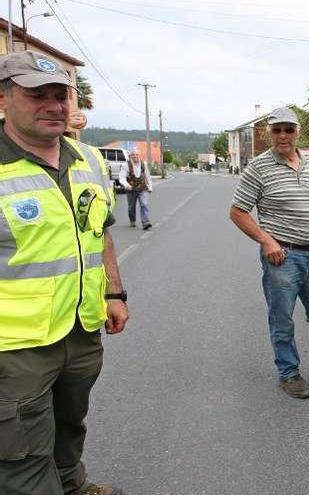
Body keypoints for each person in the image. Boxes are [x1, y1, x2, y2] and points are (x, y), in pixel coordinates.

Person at [0, 50, 129, 495]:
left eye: (61, 95)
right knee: (21, 459)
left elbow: (102, 232)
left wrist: (114, 294)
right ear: (4, 100)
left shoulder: (88, 159)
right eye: (37, 95)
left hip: (80, 330)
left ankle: (73, 485)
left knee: (69, 427)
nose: (54, 105)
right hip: (15, 348)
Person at [229, 107, 309, 400]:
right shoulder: (258, 168)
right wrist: (266, 241)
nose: (283, 136)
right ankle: (288, 373)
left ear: (298, 132)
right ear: (268, 133)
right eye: (277, 130)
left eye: (289, 129)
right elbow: (238, 212)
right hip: (283, 258)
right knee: (283, 319)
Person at [117, 149, 152, 230]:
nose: (135, 156)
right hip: (131, 189)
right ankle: (132, 220)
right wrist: (126, 185)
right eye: (133, 155)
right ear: (130, 156)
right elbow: (121, 177)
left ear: (139, 155)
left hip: (143, 188)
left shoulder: (144, 164)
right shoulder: (126, 165)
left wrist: (150, 187)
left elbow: (147, 176)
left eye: (136, 154)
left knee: (144, 204)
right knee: (131, 207)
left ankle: (145, 222)